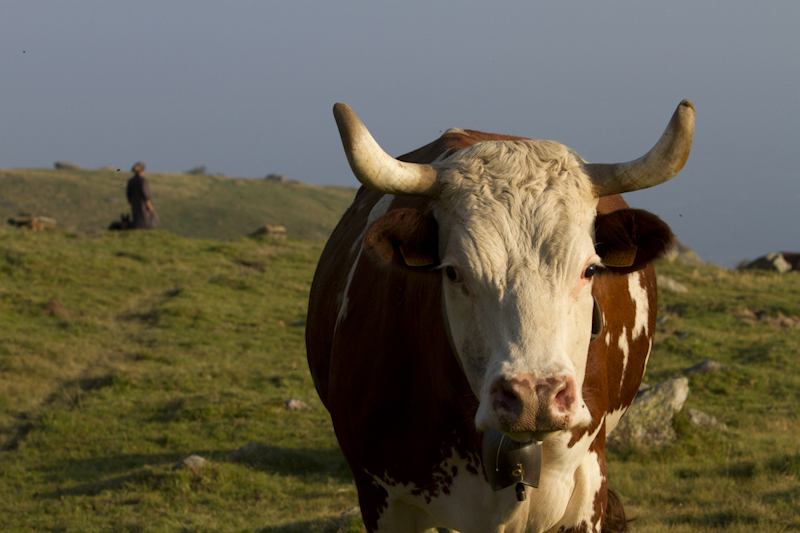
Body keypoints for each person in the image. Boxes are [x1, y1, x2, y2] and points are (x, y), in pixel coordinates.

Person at [126, 162, 158, 229]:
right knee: (145, 220)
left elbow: (128, 194)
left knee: (137, 220)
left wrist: (132, 201)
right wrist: (149, 204)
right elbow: (145, 193)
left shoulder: (131, 181)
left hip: (134, 204)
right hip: (143, 205)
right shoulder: (142, 181)